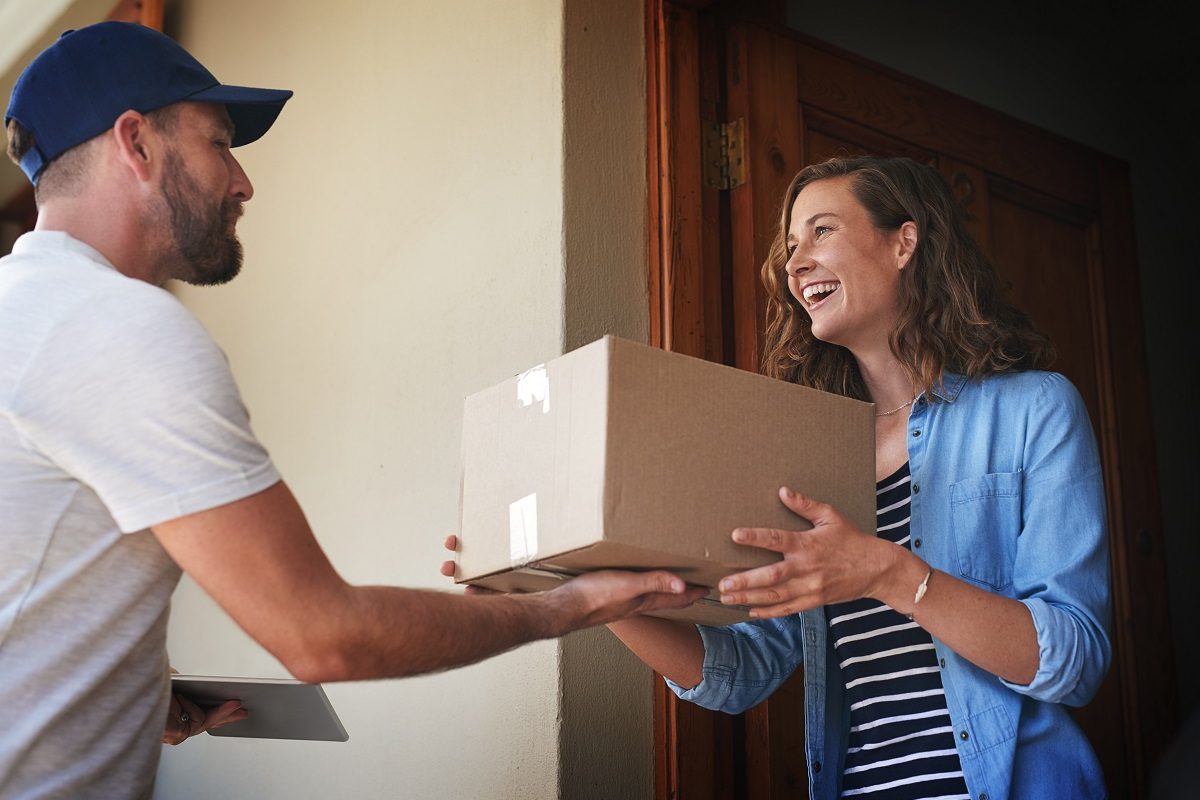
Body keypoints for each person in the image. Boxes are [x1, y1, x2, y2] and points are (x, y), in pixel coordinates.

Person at [0, 21, 702, 800]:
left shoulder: (22, 318)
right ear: (137, 143)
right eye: (219, 142)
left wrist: (120, 696)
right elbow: (323, 635)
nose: (243, 182)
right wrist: (569, 606)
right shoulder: (117, 328)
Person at [604, 156, 1112, 799]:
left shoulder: (1034, 409)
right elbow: (745, 669)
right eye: (791, 246)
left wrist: (885, 572)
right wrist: (595, 592)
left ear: (904, 242)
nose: (795, 264)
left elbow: (1075, 660)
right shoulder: (803, 455)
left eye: (822, 231)